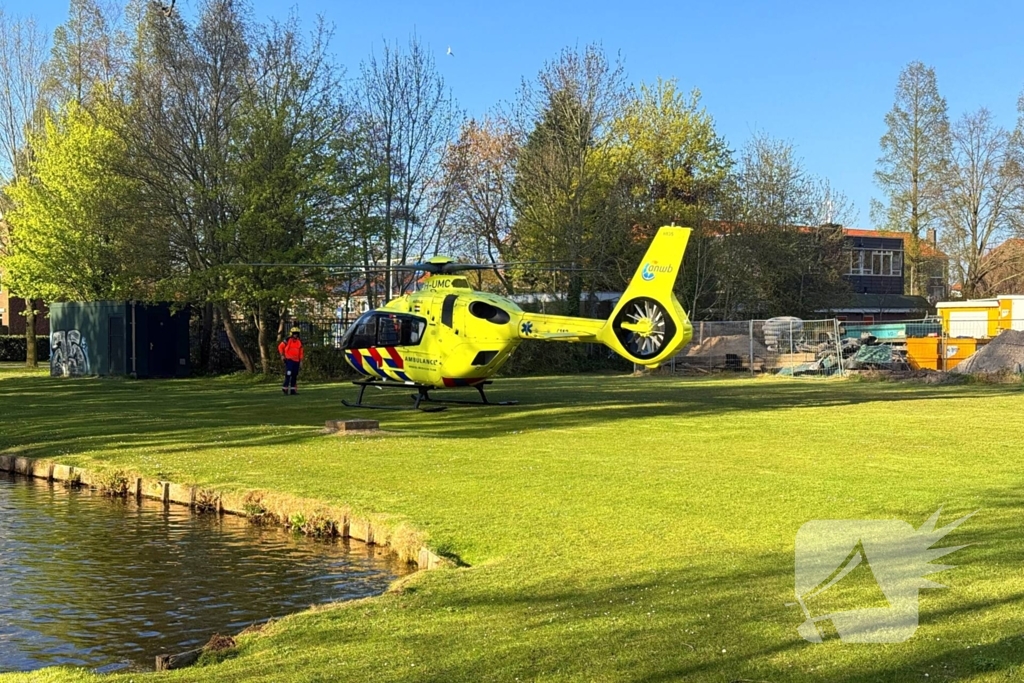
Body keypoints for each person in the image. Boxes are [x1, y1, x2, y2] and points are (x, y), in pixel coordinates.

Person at [278, 327, 304, 395]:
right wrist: (282, 355)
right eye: (294, 333)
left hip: (297, 361)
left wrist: (301, 361)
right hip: (289, 360)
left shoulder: (299, 342)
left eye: (297, 333)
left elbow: (301, 352)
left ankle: (293, 390)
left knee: (294, 375)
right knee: (288, 373)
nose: (295, 335)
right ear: (291, 334)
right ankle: (285, 388)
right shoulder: (287, 340)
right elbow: (280, 347)